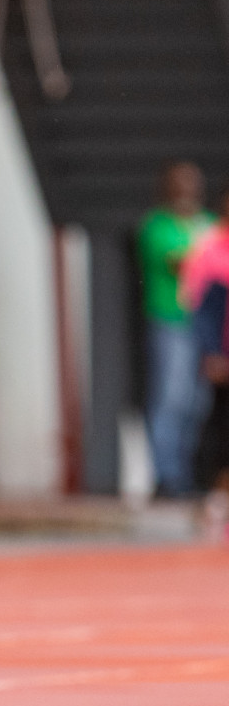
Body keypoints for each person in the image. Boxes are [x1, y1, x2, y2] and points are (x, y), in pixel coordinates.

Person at [137, 162, 215, 498]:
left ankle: (186, 474)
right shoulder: (157, 226)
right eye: (178, 183)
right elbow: (182, 262)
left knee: (198, 402)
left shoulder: (209, 225)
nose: (185, 190)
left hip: (206, 324)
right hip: (171, 321)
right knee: (172, 396)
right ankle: (165, 476)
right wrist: (211, 255)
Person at [181, 185, 229, 533]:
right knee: (219, 421)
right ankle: (214, 492)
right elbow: (203, 310)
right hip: (223, 355)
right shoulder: (211, 249)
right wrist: (212, 352)